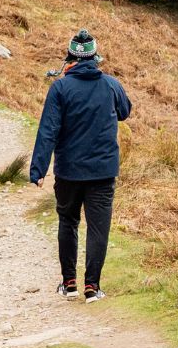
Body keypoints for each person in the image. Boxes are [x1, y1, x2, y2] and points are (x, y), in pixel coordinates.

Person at [30, 30, 132, 302]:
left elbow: (48, 130)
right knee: (98, 228)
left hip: (69, 171)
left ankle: (69, 282)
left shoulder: (60, 88)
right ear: (95, 58)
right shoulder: (111, 84)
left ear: (70, 58)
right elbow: (125, 111)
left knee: (68, 221)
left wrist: (38, 169)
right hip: (103, 171)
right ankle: (92, 287)